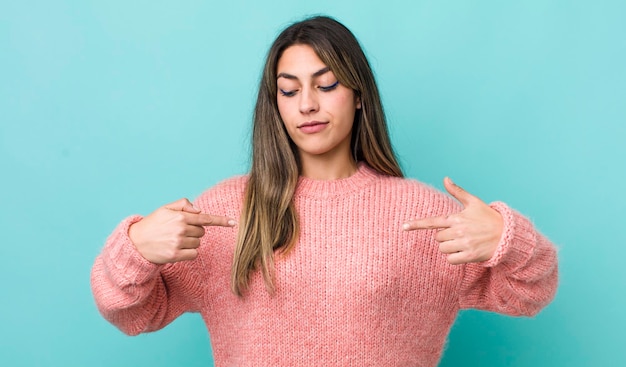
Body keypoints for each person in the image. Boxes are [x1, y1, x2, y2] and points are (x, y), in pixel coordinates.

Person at [91, 15, 558, 366]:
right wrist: (135, 248)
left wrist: (506, 238)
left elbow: (529, 293)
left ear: (357, 93)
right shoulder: (227, 212)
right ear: (274, 104)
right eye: (289, 90)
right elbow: (132, 313)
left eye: (327, 83)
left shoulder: (423, 215)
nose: (307, 104)